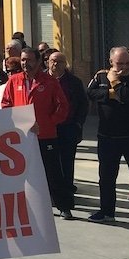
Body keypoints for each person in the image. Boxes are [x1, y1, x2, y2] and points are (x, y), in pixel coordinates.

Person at [1, 47, 73, 219]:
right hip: (21, 137)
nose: (25, 63)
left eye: (29, 60)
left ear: (39, 62)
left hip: (45, 135)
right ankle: (23, 207)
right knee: (21, 172)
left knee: (53, 172)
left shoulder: (49, 81)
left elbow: (63, 107)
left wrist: (48, 123)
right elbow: (6, 104)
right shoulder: (14, 80)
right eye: (23, 60)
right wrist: (16, 124)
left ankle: (64, 206)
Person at [86, 46, 129, 223]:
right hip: (107, 136)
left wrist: (115, 82)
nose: (124, 67)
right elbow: (91, 92)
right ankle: (106, 212)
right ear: (111, 62)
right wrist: (111, 93)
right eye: (120, 63)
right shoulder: (100, 76)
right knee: (106, 177)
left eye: (128, 63)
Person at [47, 51, 88, 196]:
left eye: (59, 62)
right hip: (48, 128)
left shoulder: (74, 82)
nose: (55, 64)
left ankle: (67, 189)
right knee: (49, 161)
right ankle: (51, 190)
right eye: (52, 61)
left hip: (68, 127)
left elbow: (83, 104)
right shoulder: (42, 80)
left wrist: (78, 123)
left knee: (67, 160)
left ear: (65, 64)